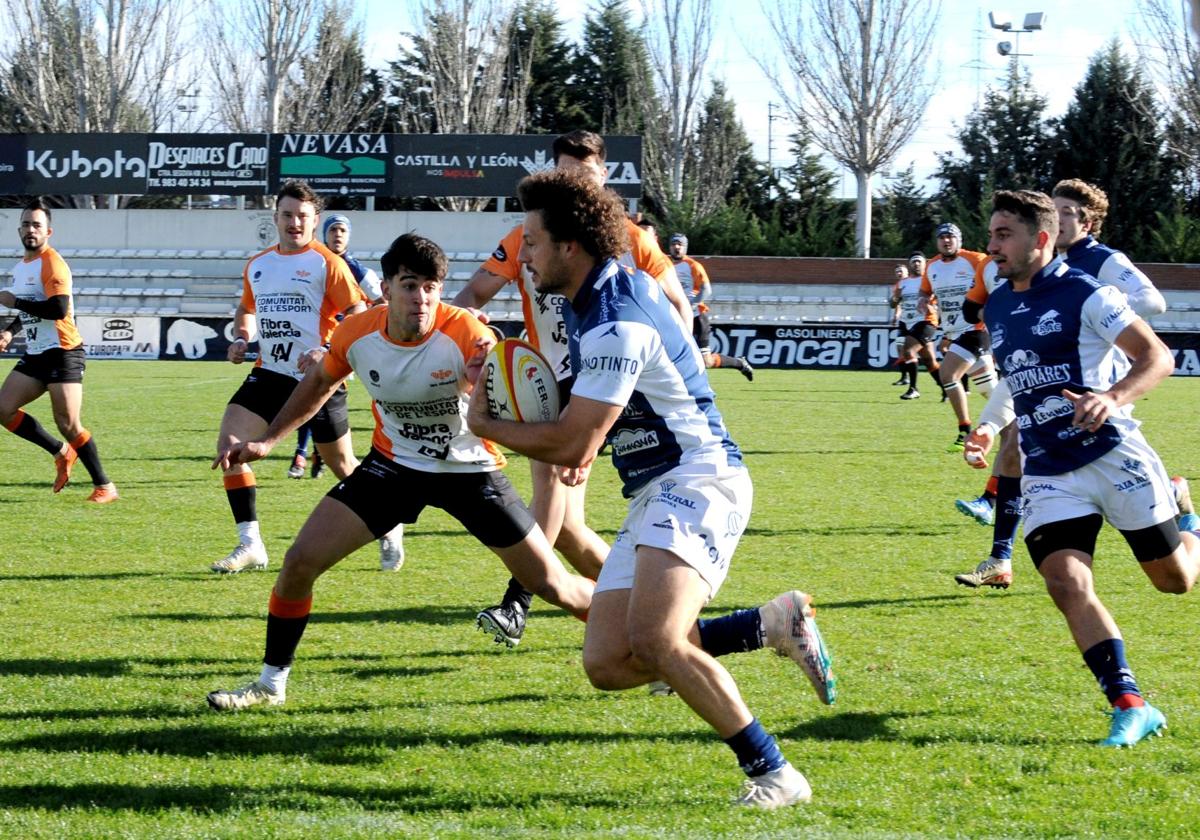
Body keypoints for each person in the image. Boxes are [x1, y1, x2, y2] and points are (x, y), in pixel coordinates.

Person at [467, 168, 837, 809]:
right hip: (655, 488)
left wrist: (484, 422)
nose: (520, 255)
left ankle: (775, 773)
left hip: (698, 480)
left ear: (569, 247)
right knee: (608, 663)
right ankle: (769, 623)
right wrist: (586, 434)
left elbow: (572, 442)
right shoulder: (603, 296)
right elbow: (612, 412)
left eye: (530, 241)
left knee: (659, 640)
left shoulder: (615, 320)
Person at [206, 233, 594, 711]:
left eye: (431, 287)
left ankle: (650, 641)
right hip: (394, 466)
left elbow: (509, 394)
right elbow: (319, 383)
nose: (422, 298)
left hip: (470, 472)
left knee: (552, 585)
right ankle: (270, 685)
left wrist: (483, 382)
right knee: (299, 563)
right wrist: (267, 441)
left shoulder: (468, 333)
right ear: (386, 288)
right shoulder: (356, 334)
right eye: (410, 285)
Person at [963, 189, 1200, 747]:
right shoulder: (998, 302)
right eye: (992, 233)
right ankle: (1131, 704)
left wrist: (1112, 398)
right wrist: (989, 427)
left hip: (1112, 456)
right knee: (1066, 583)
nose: (992, 246)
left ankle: (1189, 524)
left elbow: (1158, 356)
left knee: (1175, 581)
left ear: (1039, 240)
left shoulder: (1086, 293)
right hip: (1048, 471)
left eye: (1003, 235)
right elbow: (1015, 376)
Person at [453, 130, 693, 647]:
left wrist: (673, 358)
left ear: (603, 178)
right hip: (552, 384)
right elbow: (475, 292)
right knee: (565, 528)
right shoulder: (527, 237)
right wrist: (469, 335)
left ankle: (516, 604)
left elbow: (679, 303)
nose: (574, 187)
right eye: (564, 175)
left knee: (550, 493)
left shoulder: (632, 239)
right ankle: (647, 611)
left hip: (618, 389)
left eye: (583, 177)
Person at [954, 179, 1174, 589]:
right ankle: (1001, 556)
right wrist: (986, 423)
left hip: (1096, 401)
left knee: (1172, 578)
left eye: (1068, 212)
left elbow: (1152, 302)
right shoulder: (1026, 276)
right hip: (1047, 397)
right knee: (1013, 454)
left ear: (1087, 223)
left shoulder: (1099, 265)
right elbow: (1024, 365)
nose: (1059, 217)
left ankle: (1177, 506)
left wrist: (1104, 324)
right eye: (1053, 210)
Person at [211, 179, 403, 574]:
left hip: (318, 379)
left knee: (343, 466)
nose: (294, 223)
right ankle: (251, 544)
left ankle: (389, 523)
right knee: (230, 446)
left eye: (302, 217)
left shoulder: (327, 264)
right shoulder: (259, 265)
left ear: (314, 222)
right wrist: (243, 336)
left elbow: (358, 316)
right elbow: (246, 309)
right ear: (275, 218)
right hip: (268, 375)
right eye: (287, 215)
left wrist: (327, 351)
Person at [0, 198, 118, 503]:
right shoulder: (21, 268)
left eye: (37, 225)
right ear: (19, 229)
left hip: (64, 351)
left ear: (48, 231)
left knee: (68, 423)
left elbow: (58, 309)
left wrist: (16, 302)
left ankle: (105, 486)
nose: (31, 230)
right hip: (38, 353)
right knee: (3, 408)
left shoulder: (52, 263)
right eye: (26, 224)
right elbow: (27, 312)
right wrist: (10, 331)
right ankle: (61, 453)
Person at [919, 223, 997, 451]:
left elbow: (993, 281)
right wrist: (924, 299)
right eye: (942, 237)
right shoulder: (932, 265)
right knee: (989, 390)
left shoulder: (976, 260)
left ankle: (964, 431)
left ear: (959, 240)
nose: (946, 241)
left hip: (976, 328)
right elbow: (925, 290)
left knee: (948, 374)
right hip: (953, 332)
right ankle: (1020, 421)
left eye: (950, 237)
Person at [669, 233, 754, 380]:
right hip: (674, 318)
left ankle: (739, 363)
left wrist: (690, 305)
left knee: (706, 361)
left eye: (680, 244)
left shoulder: (693, 266)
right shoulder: (664, 264)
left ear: (685, 247)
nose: (676, 247)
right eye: (674, 244)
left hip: (696, 318)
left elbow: (706, 289)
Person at [889, 261, 939, 399]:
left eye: (919, 261)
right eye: (913, 261)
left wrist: (934, 308)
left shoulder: (929, 280)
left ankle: (913, 388)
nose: (916, 264)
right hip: (906, 322)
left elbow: (940, 297)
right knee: (929, 360)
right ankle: (946, 388)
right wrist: (895, 297)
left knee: (908, 351)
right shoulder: (902, 283)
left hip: (925, 321)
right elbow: (892, 304)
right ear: (910, 265)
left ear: (924, 264)